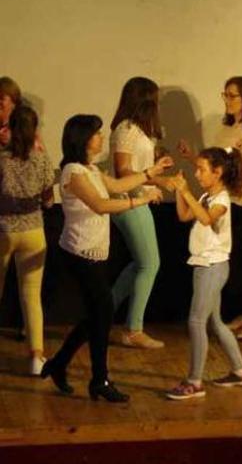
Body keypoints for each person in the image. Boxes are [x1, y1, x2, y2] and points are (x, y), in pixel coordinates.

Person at [41, 114, 170, 402]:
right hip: (79, 254)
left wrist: (150, 173)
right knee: (102, 314)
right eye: (96, 134)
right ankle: (99, 379)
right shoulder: (73, 172)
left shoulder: (91, 169)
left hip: (94, 253)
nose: (101, 138)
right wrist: (142, 199)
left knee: (99, 314)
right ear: (83, 139)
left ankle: (59, 364)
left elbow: (116, 186)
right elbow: (100, 204)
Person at [178, 76, 242, 340]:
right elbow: (216, 164)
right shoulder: (225, 130)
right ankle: (239, 315)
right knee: (227, 263)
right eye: (224, 95)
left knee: (240, 264)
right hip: (225, 202)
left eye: (232, 95)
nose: (226, 100)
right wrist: (192, 157)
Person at [166, 147, 242, 400]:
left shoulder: (221, 200)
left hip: (213, 267)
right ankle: (241, 371)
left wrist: (185, 192)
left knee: (196, 321)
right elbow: (185, 215)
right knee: (215, 321)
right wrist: (180, 192)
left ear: (218, 173)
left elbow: (206, 219)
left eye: (202, 169)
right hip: (204, 265)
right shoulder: (207, 195)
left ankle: (194, 381)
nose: (197, 173)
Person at [108, 77, 170, 348]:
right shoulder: (127, 129)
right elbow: (123, 171)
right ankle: (133, 329)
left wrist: (159, 176)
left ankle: (101, 314)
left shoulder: (141, 130)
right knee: (149, 264)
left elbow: (140, 168)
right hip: (128, 201)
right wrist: (153, 181)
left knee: (139, 264)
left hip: (138, 199)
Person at [0, 106, 54, 375]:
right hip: (34, 231)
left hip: (4, 229)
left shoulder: (2, 159)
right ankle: (36, 356)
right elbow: (48, 196)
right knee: (32, 296)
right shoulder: (42, 159)